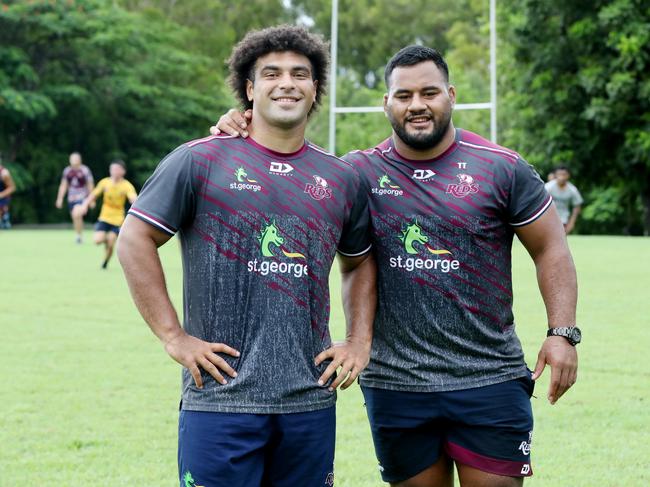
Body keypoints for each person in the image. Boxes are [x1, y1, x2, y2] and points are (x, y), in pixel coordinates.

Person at [212, 45, 579, 487]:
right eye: (403, 96)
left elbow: (551, 248)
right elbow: (284, 174)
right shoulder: (356, 173)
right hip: (395, 384)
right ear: (386, 102)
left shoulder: (501, 167)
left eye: (430, 93)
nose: (418, 105)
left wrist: (562, 333)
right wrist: (241, 128)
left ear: (451, 95)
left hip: (488, 378)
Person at [117, 26, 376, 487]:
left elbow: (358, 262)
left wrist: (358, 341)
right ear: (250, 88)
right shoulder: (199, 160)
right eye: (271, 73)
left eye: (301, 74)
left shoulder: (340, 178)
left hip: (309, 401)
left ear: (315, 89)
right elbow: (134, 239)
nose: (287, 83)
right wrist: (174, 337)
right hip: (219, 399)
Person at [79, 160, 137, 269]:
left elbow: (133, 197)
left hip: (118, 219)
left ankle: (105, 262)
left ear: (123, 171)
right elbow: (93, 195)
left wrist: (134, 202)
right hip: (104, 217)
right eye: (112, 169)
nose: (114, 171)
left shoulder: (127, 185)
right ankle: (107, 238)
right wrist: (84, 205)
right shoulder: (105, 182)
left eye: (117, 169)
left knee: (111, 244)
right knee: (97, 240)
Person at [55, 152, 95, 243]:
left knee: (76, 214)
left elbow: (90, 185)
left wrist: (92, 199)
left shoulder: (85, 170)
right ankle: (79, 235)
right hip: (71, 198)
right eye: (72, 159)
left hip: (83, 197)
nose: (74, 161)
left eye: (76, 159)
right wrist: (59, 199)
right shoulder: (67, 171)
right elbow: (63, 185)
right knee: (75, 217)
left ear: (80, 160)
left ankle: (79, 236)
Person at [544, 165, 583, 234]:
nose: (561, 177)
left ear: (568, 175)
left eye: (564, 174)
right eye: (559, 174)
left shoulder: (572, 190)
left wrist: (572, 223)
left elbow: (577, 206)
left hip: (563, 219)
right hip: (548, 218)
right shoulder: (548, 187)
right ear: (555, 175)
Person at [0, 161, 16, 229]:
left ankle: (5, 220)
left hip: (3, 198)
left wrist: (1, 195)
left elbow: (12, 187)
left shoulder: (4, 173)